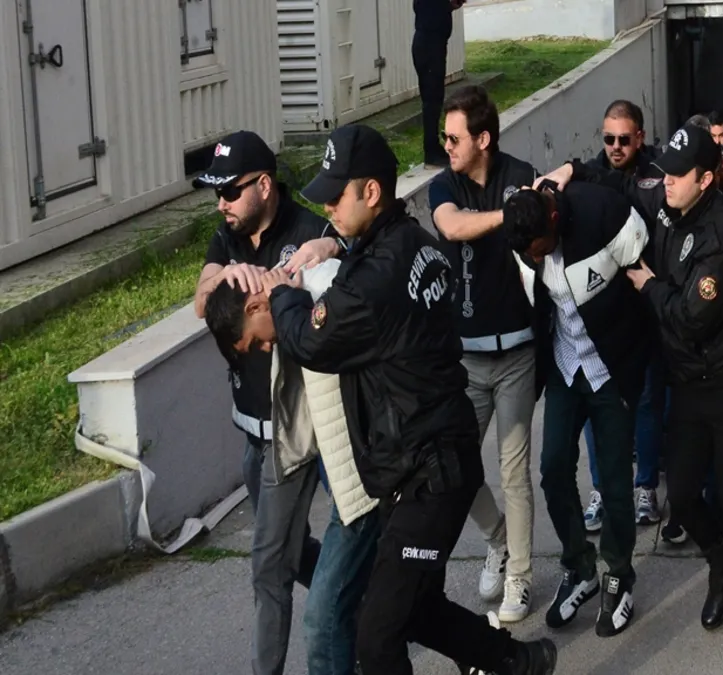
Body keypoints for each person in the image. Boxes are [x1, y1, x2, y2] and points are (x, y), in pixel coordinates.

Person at [265, 123, 557, 675]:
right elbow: (372, 268)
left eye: (336, 196)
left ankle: (518, 660)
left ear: (371, 192)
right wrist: (336, 243)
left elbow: (310, 341)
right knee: (414, 609)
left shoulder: (373, 281)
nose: (326, 206)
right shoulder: (413, 240)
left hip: (431, 475)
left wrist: (282, 293)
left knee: (377, 639)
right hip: (422, 464)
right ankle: (520, 660)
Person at [536, 124, 723, 659]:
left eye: (678, 176)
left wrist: (647, 284)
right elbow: (618, 184)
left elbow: (690, 317)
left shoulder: (722, 236)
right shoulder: (667, 200)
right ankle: (720, 564)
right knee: (681, 496)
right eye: (665, 173)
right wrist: (570, 169)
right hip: (687, 381)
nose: (667, 182)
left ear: (706, 180)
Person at [191, 129, 342, 675]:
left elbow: (342, 284)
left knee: (268, 565)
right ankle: (367, 597)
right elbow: (201, 302)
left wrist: (315, 260)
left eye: (230, 191)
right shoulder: (228, 236)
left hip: (293, 432)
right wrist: (223, 277)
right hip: (251, 432)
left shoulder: (309, 232)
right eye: (217, 193)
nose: (221, 203)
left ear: (264, 185)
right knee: (290, 552)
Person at [203, 258, 384, 675]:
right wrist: (221, 274)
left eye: (256, 341)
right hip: (304, 451)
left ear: (255, 308)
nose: (266, 349)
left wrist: (327, 245)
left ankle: (464, 642)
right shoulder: (276, 299)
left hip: (354, 469)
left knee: (324, 614)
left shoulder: (317, 284)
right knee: (280, 567)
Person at [502, 182, 651, 636]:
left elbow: (645, 273)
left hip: (610, 370)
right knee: (553, 469)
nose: (535, 258)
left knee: (614, 481)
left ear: (553, 220)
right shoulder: (526, 243)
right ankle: (580, 567)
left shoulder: (596, 214)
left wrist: (638, 365)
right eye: (527, 254)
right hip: (566, 369)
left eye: (539, 249)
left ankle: (619, 574)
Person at [428, 84, 540, 623]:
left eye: (454, 138)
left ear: (483, 139)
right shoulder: (443, 185)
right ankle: (497, 539)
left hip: (516, 353)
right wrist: (506, 214)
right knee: (454, 465)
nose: (446, 146)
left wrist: (527, 203)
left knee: (514, 473)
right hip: (465, 362)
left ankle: (520, 576)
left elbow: (539, 226)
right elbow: (452, 226)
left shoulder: (519, 174)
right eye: (444, 136)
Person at [580, 99, 665, 533]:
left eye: (624, 139)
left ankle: (645, 487)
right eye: (609, 138)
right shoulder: (588, 176)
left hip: (646, 312)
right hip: (601, 314)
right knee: (598, 406)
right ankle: (601, 490)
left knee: (647, 403)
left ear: (640, 137)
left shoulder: (659, 174)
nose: (615, 146)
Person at [412, 0, 467, 168]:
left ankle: (433, 148)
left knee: (435, 98)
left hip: (435, 43)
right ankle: (431, 152)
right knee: (432, 99)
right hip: (429, 44)